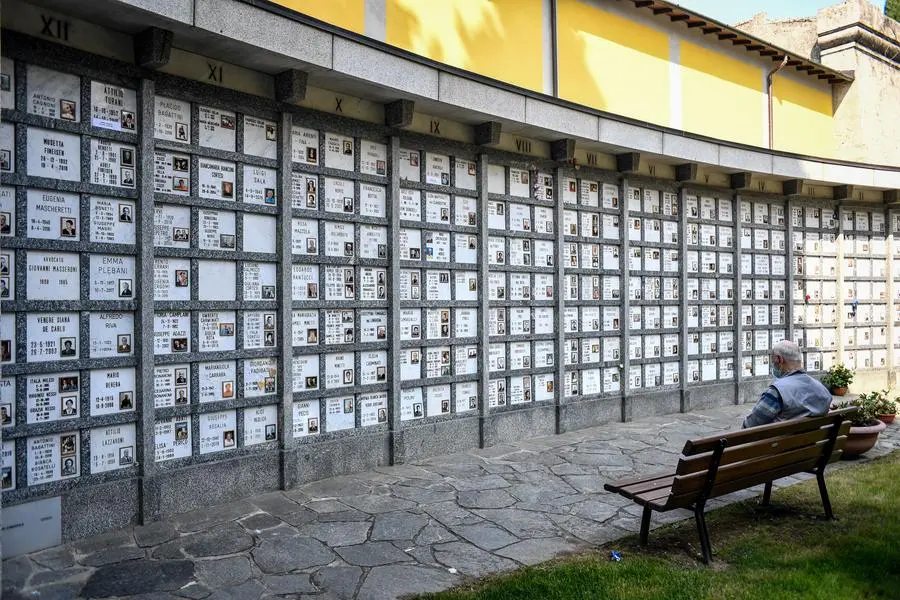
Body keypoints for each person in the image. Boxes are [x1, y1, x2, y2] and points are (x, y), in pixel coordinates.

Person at [742, 340, 832, 429]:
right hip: (812, 441)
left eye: (773, 362)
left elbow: (750, 425)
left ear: (779, 359)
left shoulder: (776, 391)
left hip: (779, 443)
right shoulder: (823, 390)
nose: (772, 365)